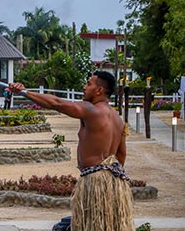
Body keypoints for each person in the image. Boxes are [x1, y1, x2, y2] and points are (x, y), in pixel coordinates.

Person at [9, 71, 134, 231]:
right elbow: (121, 154)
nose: (84, 87)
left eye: (89, 84)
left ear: (99, 91)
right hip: (114, 183)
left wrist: (23, 92)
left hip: (94, 182)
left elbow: (56, 103)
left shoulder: (90, 110)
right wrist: (112, 178)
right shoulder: (117, 118)